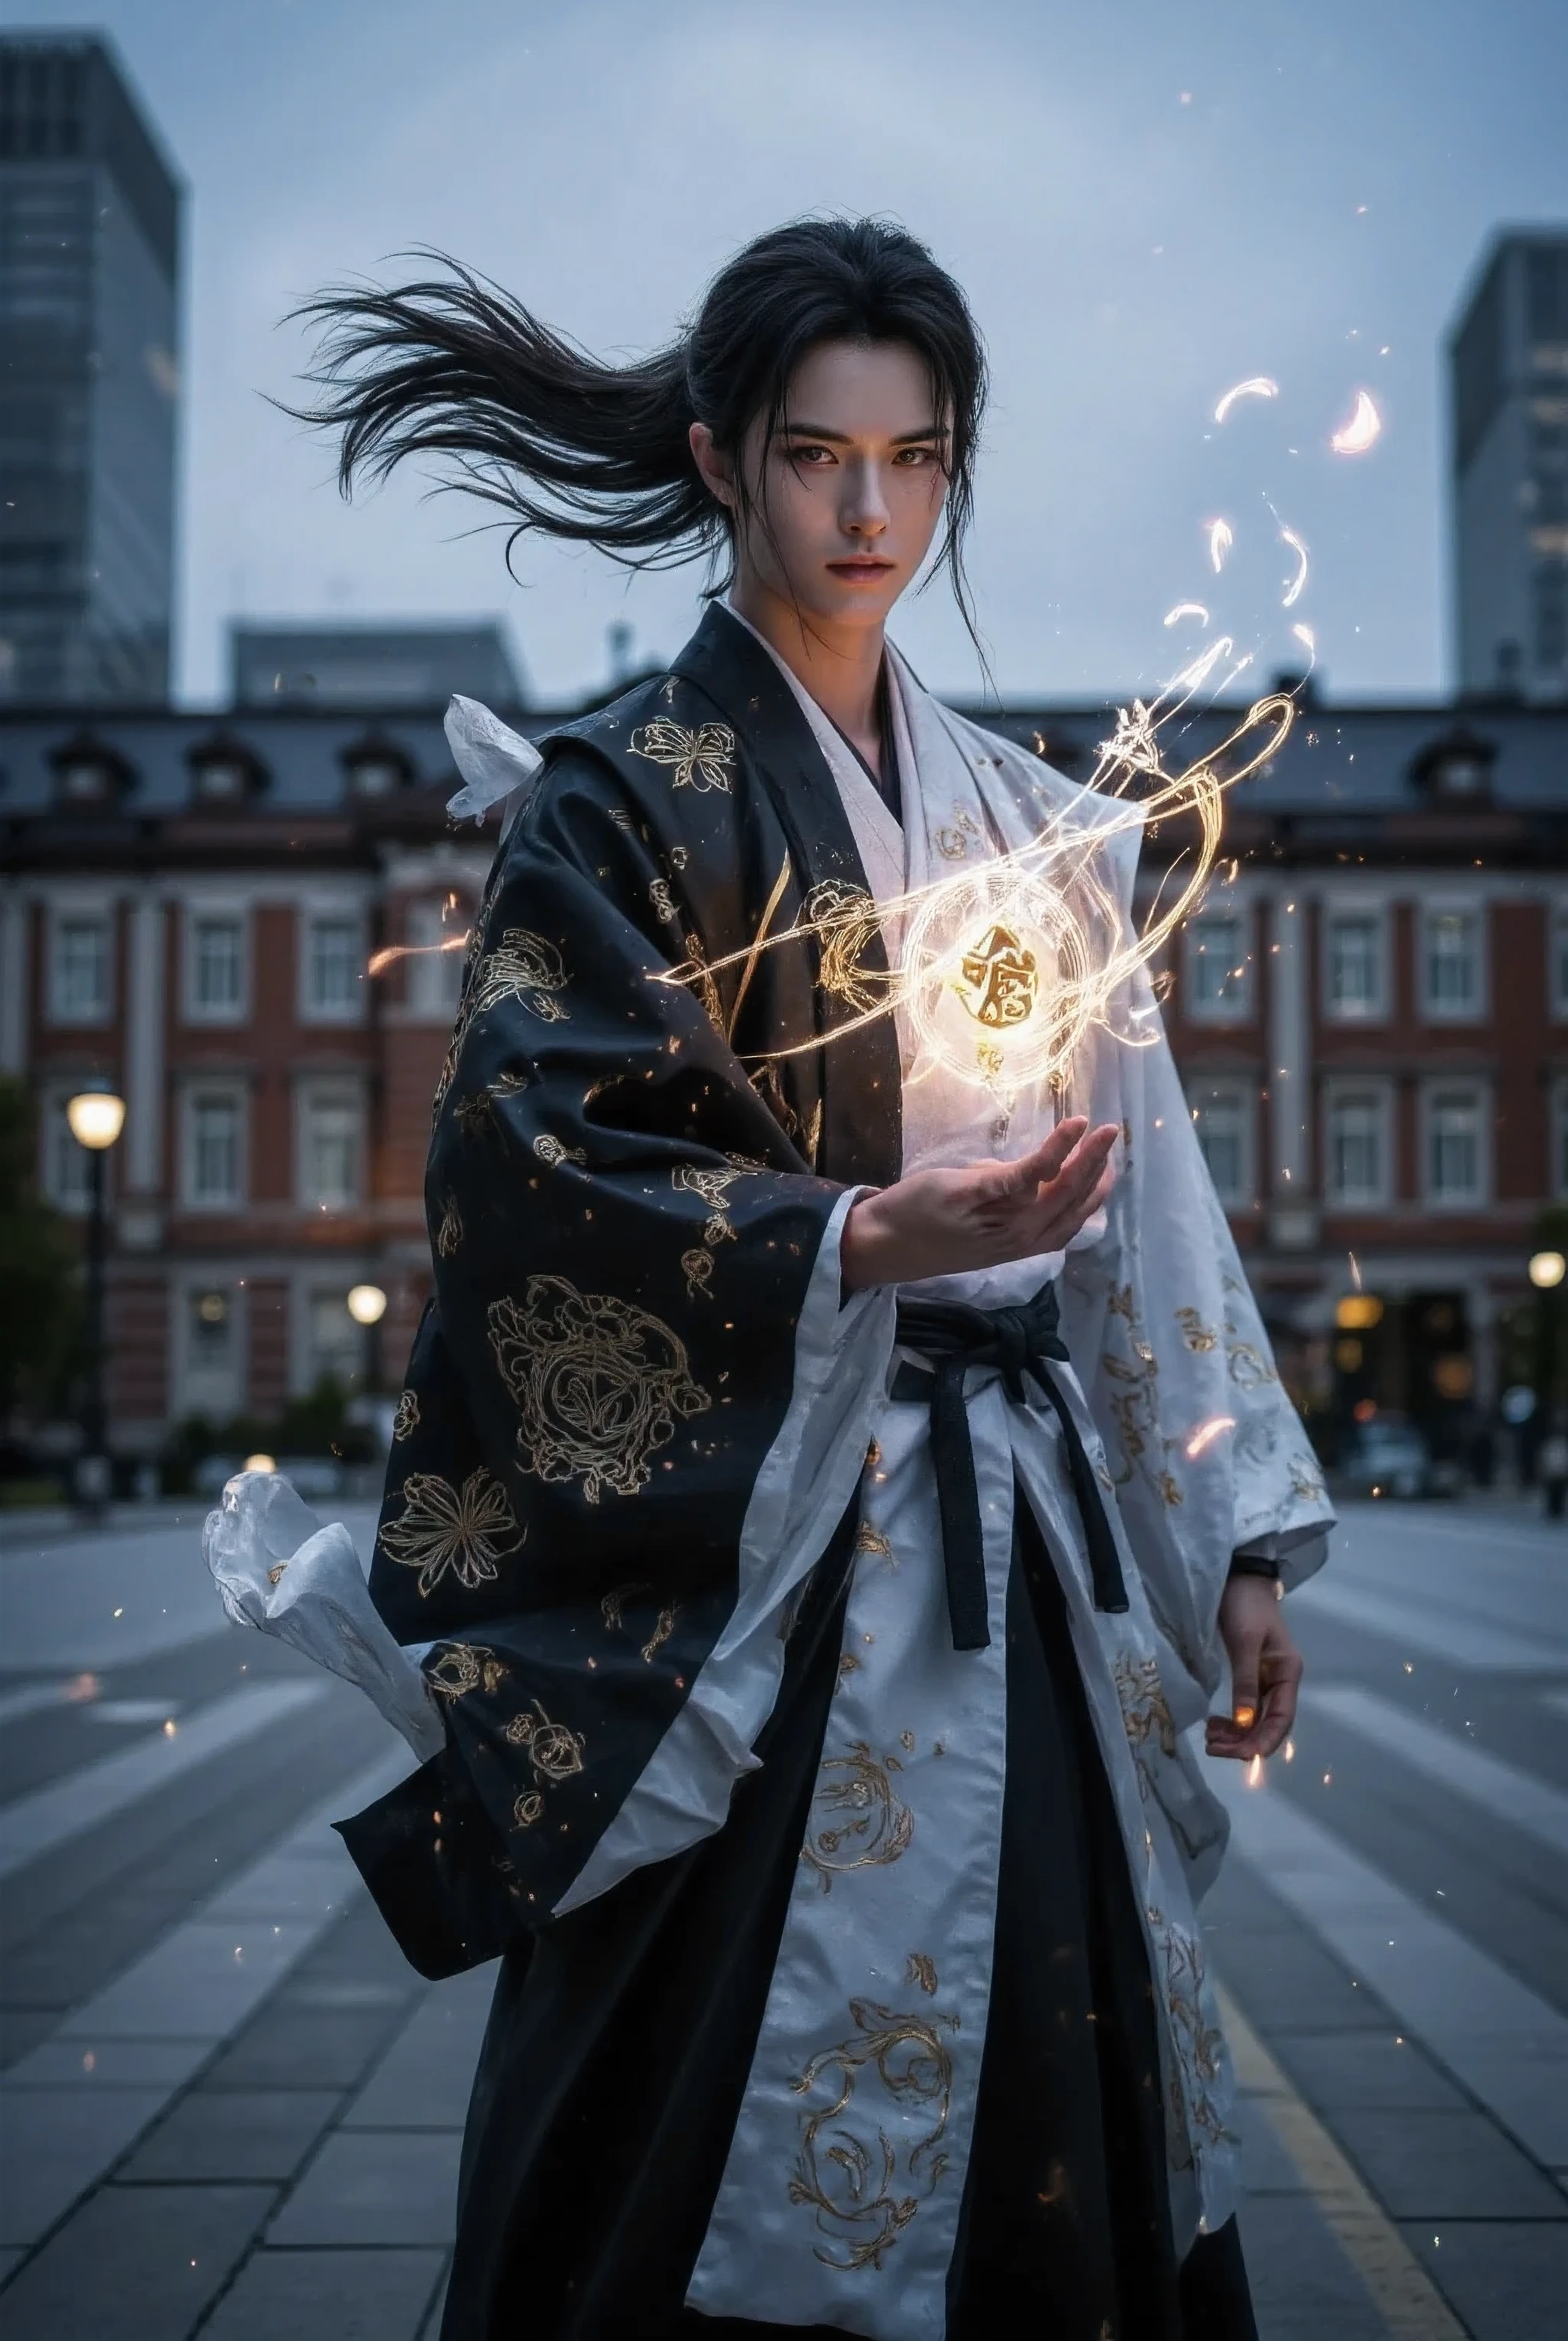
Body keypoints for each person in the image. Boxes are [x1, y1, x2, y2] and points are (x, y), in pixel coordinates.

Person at [254, 219, 1335, 2340]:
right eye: (820, 455)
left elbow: (1150, 1207)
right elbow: (537, 1160)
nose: (869, 511)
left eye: (914, 460)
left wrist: (1234, 1542)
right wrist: (853, 1237)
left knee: (1060, 2039)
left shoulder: (1030, 825)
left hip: (1011, 1533)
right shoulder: (615, 802)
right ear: (719, 458)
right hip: (763, 1568)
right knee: (685, 2080)